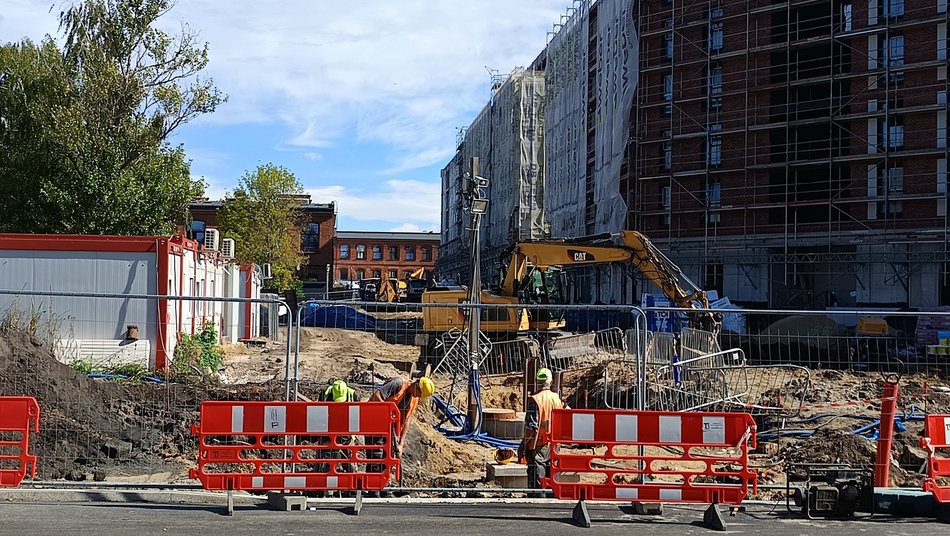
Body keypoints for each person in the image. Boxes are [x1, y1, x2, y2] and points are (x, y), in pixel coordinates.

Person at [365, 375, 436, 473]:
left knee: (388, 457)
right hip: (374, 422)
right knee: (376, 457)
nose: (419, 396)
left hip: (388, 428)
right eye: (420, 393)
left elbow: (407, 420)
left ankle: (379, 484)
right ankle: (371, 484)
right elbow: (376, 396)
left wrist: (400, 444)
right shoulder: (398, 384)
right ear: (416, 385)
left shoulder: (414, 399)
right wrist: (389, 411)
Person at [519, 367, 567, 493]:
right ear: (550, 383)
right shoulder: (557, 399)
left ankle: (538, 500)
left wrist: (523, 444)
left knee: (537, 477)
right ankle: (553, 499)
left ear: (537, 382)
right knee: (552, 473)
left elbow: (531, 427)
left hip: (538, 444)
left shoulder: (535, 400)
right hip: (554, 444)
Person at [316, 380, 359, 475]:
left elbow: (356, 420)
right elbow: (319, 415)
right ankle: (320, 481)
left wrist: (346, 437)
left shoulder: (353, 395)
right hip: (328, 430)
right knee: (324, 458)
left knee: (350, 460)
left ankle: (352, 484)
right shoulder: (325, 394)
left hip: (347, 431)